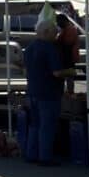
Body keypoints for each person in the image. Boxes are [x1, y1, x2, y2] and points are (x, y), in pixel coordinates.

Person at [23, 18, 71, 165]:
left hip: (33, 91)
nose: (56, 35)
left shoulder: (30, 47)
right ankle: (45, 157)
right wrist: (71, 71)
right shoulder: (50, 48)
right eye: (55, 32)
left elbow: (25, 69)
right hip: (49, 93)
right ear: (46, 32)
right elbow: (56, 72)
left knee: (34, 125)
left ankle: (31, 155)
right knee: (47, 126)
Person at [55, 13, 80, 93]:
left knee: (69, 77)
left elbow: (67, 43)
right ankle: (67, 93)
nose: (58, 24)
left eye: (58, 22)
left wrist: (57, 42)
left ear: (64, 21)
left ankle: (70, 93)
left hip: (69, 57)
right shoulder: (65, 29)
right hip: (66, 57)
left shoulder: (70, 29)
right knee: (66, 77)